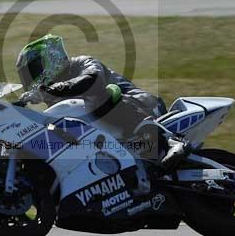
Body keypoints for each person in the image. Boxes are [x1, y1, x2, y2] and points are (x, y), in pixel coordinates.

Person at [15, 34, 190, 171]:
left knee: (97, 97)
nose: (30, 80)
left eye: (33, 71)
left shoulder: (82, 63)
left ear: (51, 58)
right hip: (117, 136)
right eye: (26, 75)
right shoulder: (54, 101)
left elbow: (92, 81)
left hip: (145, 107)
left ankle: (169, 142)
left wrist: (50, 89)